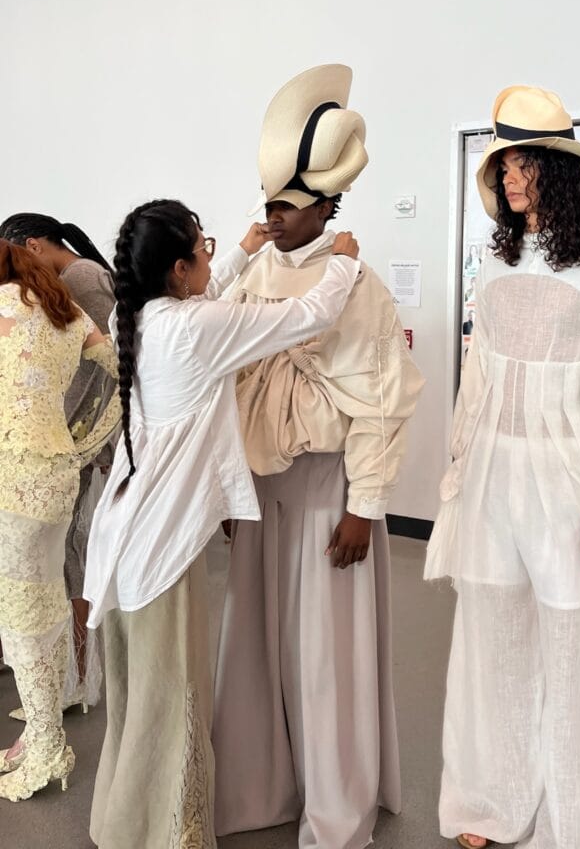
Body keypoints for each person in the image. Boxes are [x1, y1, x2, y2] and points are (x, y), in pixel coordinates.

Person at [424, 85, 580, 849]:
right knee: (492, 643)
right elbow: (480, 371)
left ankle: (572, 818)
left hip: (567, 483)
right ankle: (489, 803)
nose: (508, 177)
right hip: (493, 477)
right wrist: (459, 472)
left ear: (557, 171)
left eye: (522, 163)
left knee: (575, 650)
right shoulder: (495, 262)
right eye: (502, 165)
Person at [84, 198, 361, 849]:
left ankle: (119, 822)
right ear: (179, 270)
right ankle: (165, 834)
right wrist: (344, 264)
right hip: (163, 547)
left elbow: (208, 300)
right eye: (202, 248)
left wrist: (242, 250)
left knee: (135, 698)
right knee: (171, 701)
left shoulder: (134, 314)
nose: (212, 256)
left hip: (123, 534)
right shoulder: (196, 328)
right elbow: (306, 316)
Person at [213, 65, 423, 849]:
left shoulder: (359, 285)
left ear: (328, 206)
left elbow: (379, 401)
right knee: (255, 643)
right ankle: (258, 789)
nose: (273, 217)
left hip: (327, 487)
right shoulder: (252, 275)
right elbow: (225, 385)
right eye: (268, 204)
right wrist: (230, 490)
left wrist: (365, 506)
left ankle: (335, 805)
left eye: (288, 206)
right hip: (259, 486)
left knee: (326, 652)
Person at [0, 239, 119, 801]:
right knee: (44, 605)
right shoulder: (64, 312)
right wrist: (83, 444)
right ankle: (41, 735)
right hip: (54, 475)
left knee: (19, 618)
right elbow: (122, 374)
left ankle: (47, 744)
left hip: (11, 479)